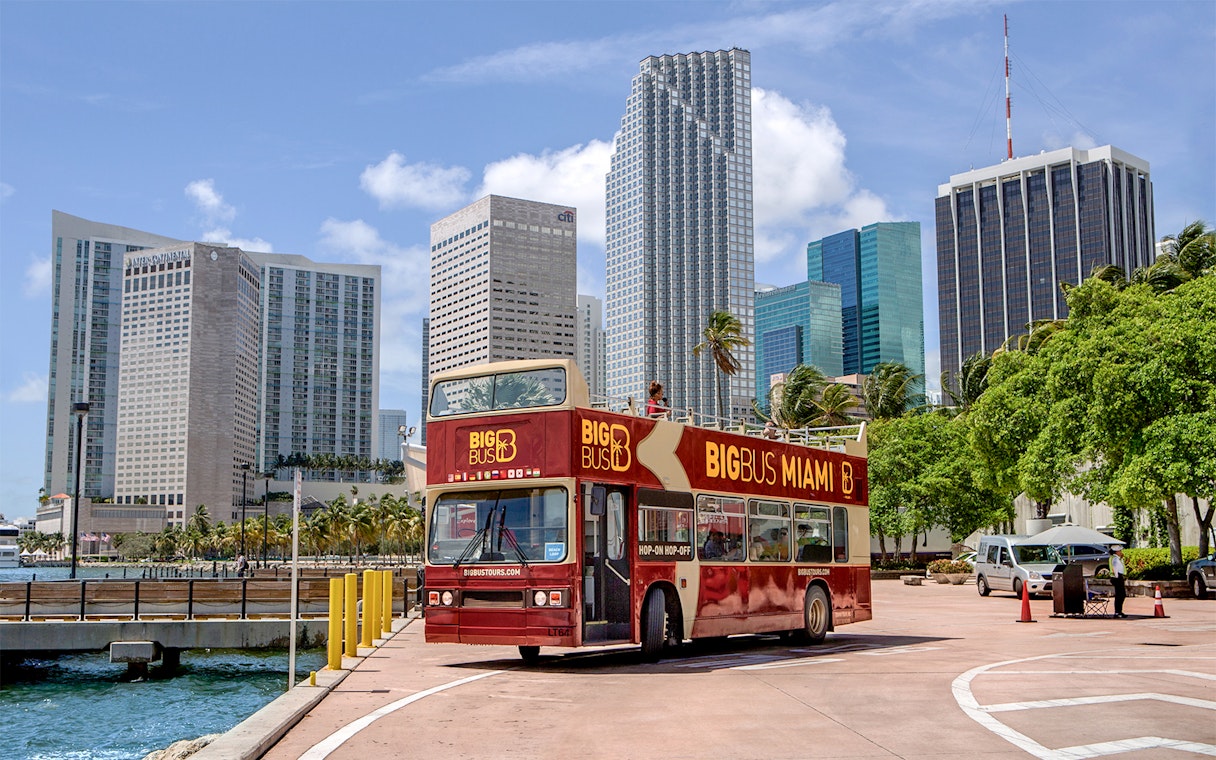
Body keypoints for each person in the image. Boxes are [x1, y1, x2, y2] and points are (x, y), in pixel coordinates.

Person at [1110, 545, 1127, 617]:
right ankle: (1117, 612)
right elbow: (1115, 569)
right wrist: (1118, 577)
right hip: (1117, 577)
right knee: (1120, 595)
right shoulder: (1115, 559)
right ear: (1116, 552)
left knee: (1121, 594)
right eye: (1119, 551)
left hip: (1118, 577)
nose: (1121, 552)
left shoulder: (1117, 558)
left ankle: (1119, 611)